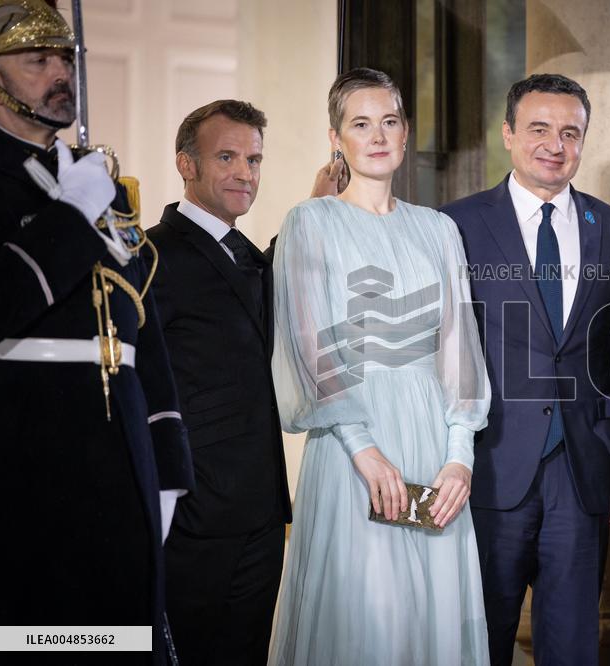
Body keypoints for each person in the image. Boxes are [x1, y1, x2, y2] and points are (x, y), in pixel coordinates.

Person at [0, 0, 193, 662]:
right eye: (36, 60)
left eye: (65, 58)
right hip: (24, 447)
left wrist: (167, 462)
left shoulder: (100, 180)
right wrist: (74, 212)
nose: (60, 73)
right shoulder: (70, 188)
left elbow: (140, 328)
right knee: (37, 638)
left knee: (117, 639)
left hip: (121, 447)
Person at [268, 67, 491, 665]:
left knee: (430, 619)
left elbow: (459, 349)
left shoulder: (439, 229)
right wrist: (364, 450)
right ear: (336, 138)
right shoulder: (309, 222)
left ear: (405, 130)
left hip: (432, 443)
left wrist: (460, 459)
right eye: (360, 124)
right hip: (351, 449)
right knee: (369, 616)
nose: (378, 135)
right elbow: (310, 347)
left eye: (389, 121)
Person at [441, 73, 610, 665]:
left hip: (581, 472)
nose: (555, 144)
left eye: (570, 132)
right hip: (488, 466)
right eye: (539, 129)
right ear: (508, 134)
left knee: (573, 643)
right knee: (482, 636)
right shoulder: (456, 223)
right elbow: (441, 349)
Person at [147, 100, 291, 665]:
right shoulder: (153, 253)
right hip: (194, 515)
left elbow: (261, 299)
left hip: (262, 509)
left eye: (253, 159)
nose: (244, 173)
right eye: (226, 156)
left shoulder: (244, 252)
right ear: (186, 164)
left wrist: (318, 208)